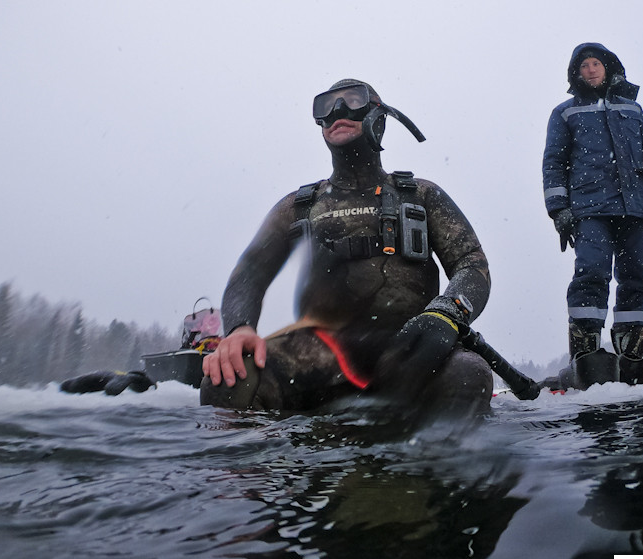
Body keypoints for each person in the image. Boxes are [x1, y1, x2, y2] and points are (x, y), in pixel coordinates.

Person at [200, 79, 493, 412]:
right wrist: (239, 329)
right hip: (315, 355)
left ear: (378, 118)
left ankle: (434, 460)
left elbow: (471, 263)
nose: (337, 111)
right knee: (228, 378)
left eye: (353, 100)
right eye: (326, 106)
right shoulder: (298, 206)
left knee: (469, 375)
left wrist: (447, 314)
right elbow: (250, 274)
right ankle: (246, 464)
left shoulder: (421, 196)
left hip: (413, 350)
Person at [542, 43, 643, 384]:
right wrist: (559, 209)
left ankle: (631, 356)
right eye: (584, 65)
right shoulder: (565, 113)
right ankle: (586, 355)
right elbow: (554, 164)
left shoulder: (633, 109)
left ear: (608, 67)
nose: (590, 69)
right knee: (591, 273)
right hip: (590, 210)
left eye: (596, 63)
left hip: (635, 208)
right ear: (576, 73)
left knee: (636, 279)